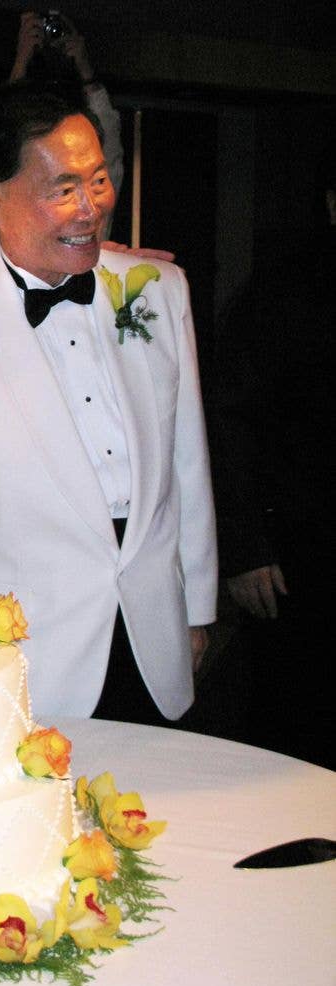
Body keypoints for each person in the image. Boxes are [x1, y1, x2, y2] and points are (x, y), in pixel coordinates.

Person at [0, 80, 218, 725]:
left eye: (98, 180)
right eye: (61, 190)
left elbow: (187, 461)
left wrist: (197, 611)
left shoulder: (158, 291)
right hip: (32, 652)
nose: (90, 209)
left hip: (155, 632)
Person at [211, 143, 334, 767]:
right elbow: (225, 418)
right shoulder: (288, 290)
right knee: (292, 731)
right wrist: (244, 549)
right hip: (298, 553)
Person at [9, 8, 124, 215]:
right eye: (64, 190)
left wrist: (83, 64)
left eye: (97, 181)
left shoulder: (98, 200)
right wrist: (21, 59)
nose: (84, 206)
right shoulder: (16, 200)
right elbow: (2, 135)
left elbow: (108, 139)